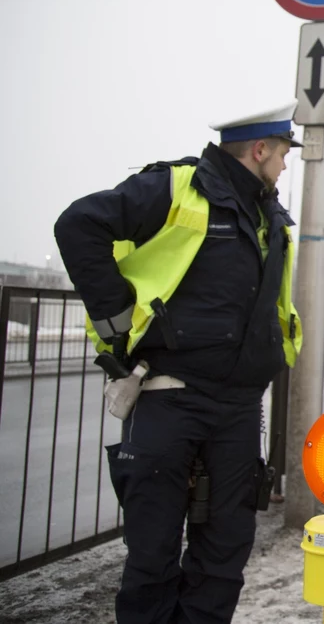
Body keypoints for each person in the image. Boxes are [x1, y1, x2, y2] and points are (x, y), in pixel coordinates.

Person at [53, 101, 304, 624]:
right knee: (152, 554)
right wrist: (117, 322)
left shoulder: (272, 215)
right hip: (171, 395)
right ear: (260, 150)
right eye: (282, 154)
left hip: (237, 407)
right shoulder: (177, 187)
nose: (285, 165)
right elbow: (78, 225)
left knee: (225, 554)